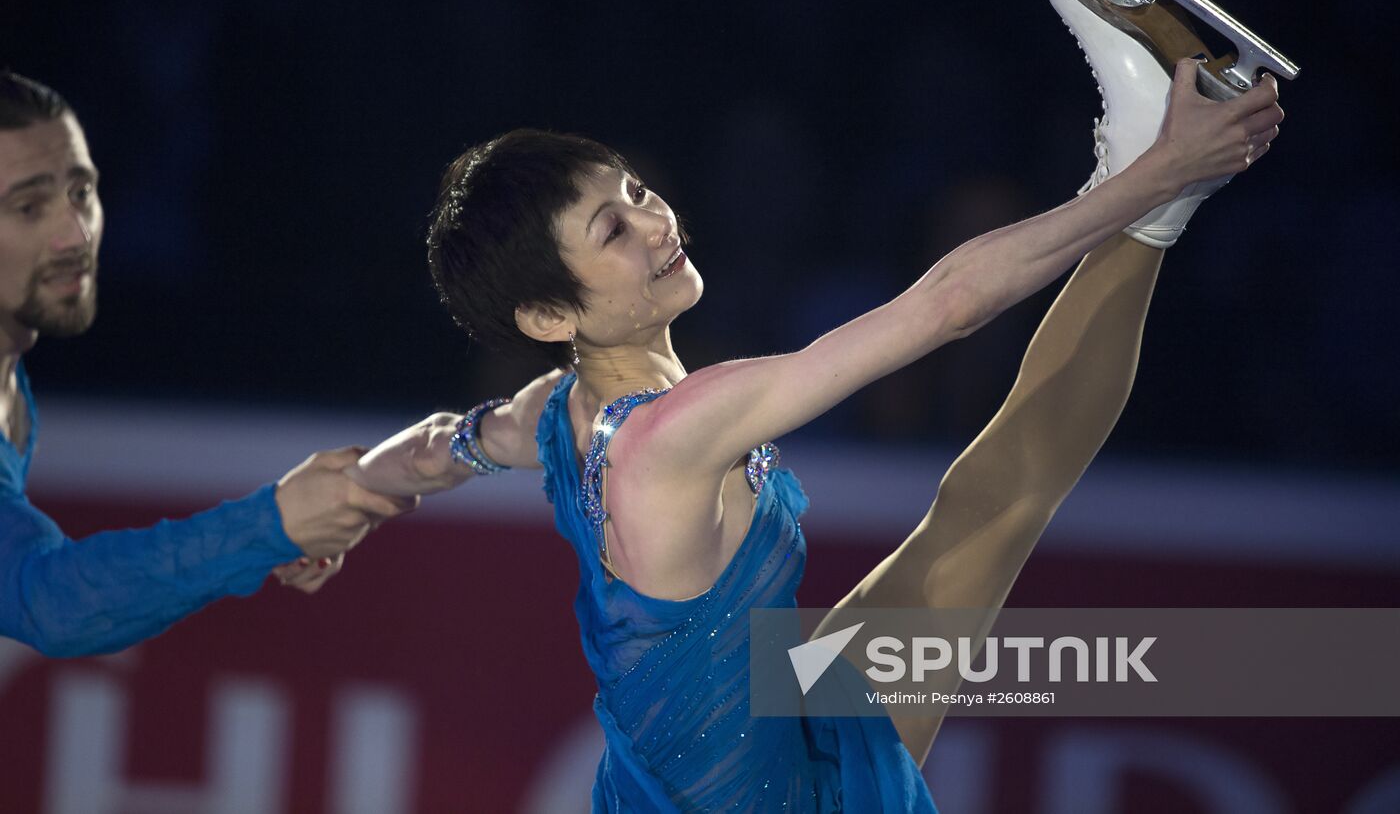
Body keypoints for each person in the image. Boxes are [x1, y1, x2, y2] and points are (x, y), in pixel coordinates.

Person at [352, 54, 1282, 809]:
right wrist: (1178, 159)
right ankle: (1153, 178)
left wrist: (364, 487)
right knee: (993, 505)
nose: (655, 223)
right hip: (767, 792)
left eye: (637, 191)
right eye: (612, 229)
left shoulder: (554, 413)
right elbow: (949, 307)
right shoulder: (676, 431)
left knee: (988, 502)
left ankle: (1148, 187)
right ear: (551, 316)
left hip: (755, 738)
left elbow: (451, 441)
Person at [0, 71, 415, 658]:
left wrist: (264, 539)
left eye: (81, 192)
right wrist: (270, 526)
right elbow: (51, 601)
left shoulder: (10, 377)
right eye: (28, 206)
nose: (75, 233)